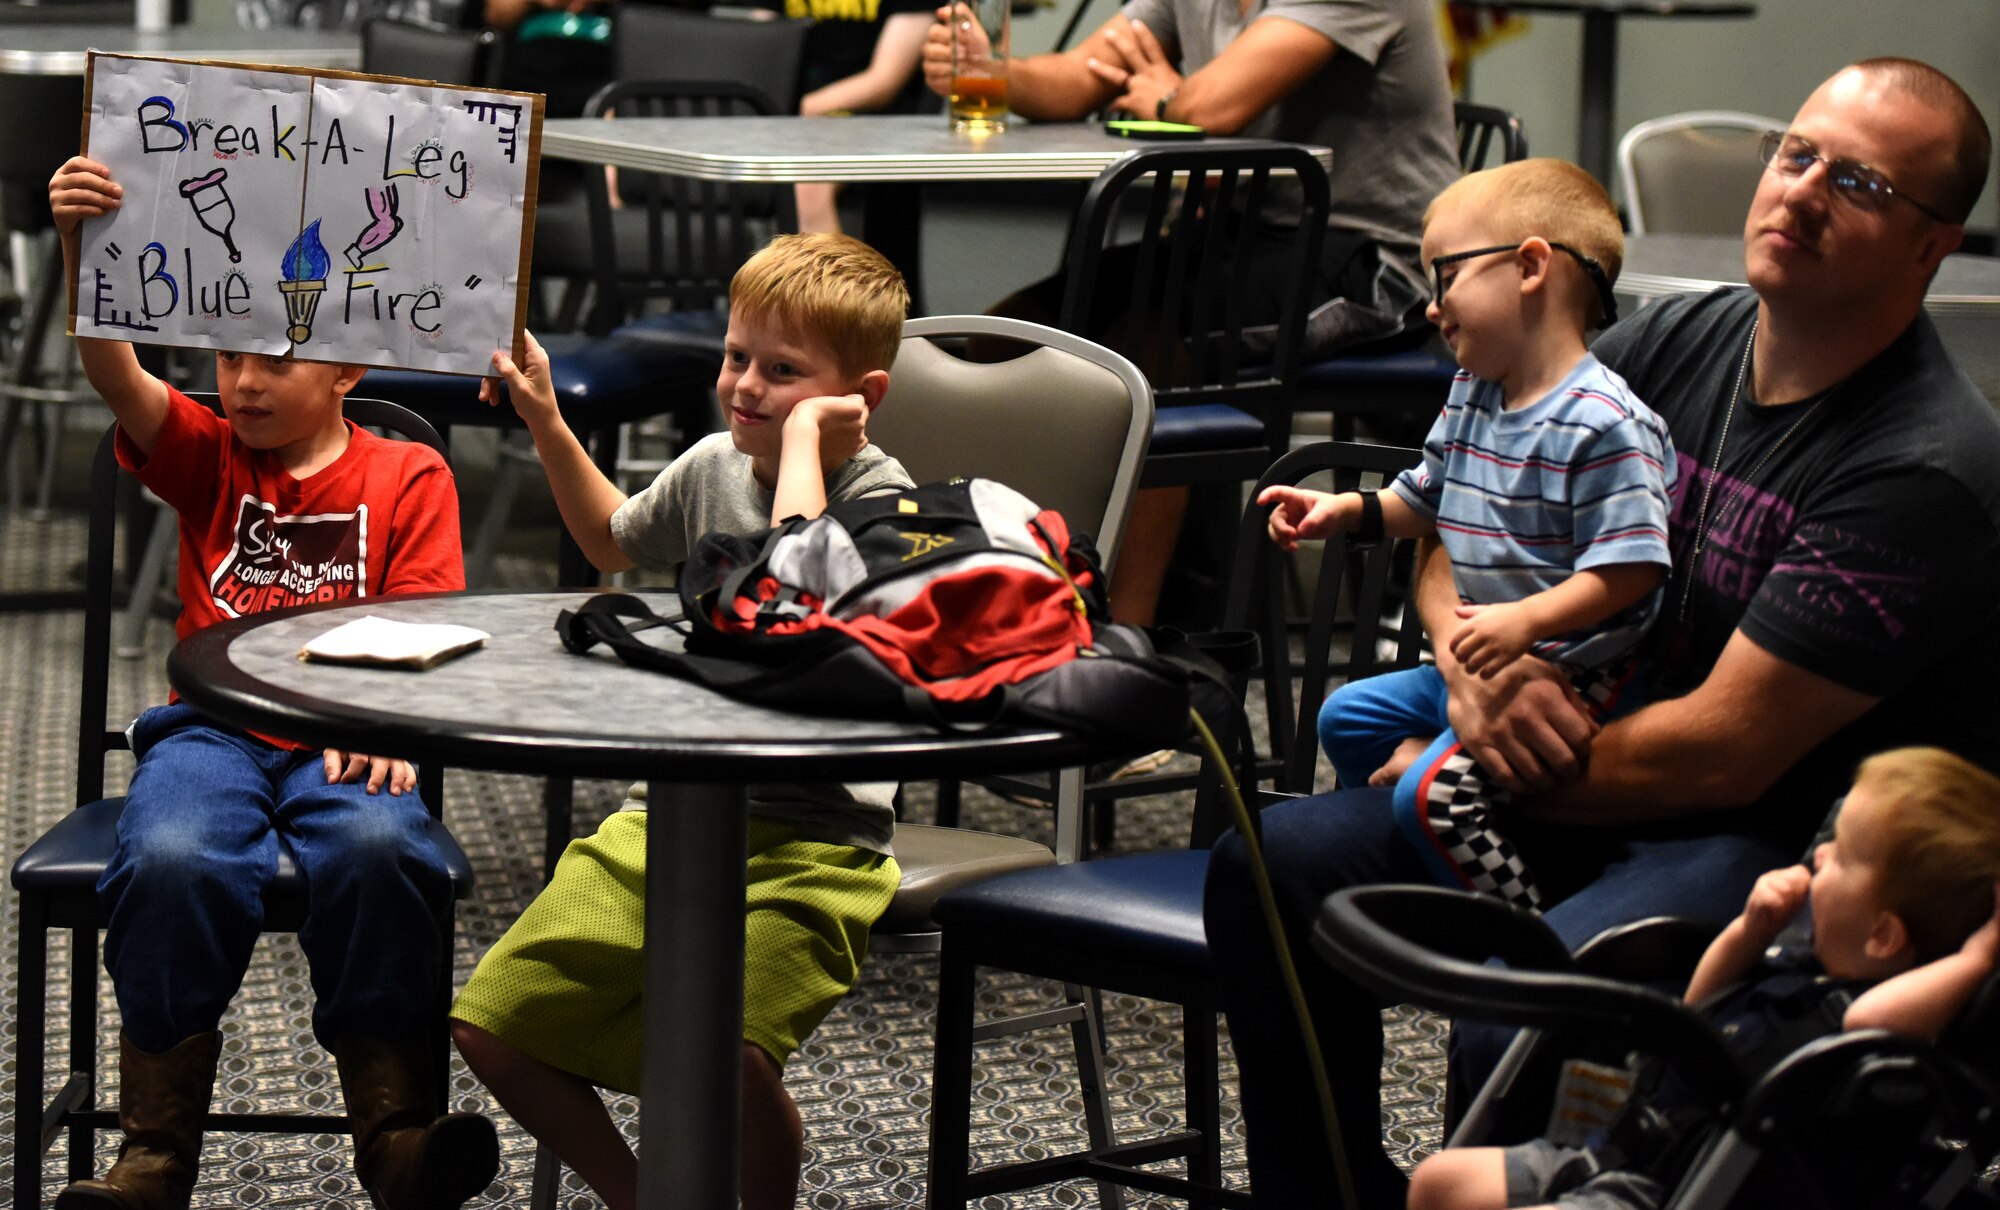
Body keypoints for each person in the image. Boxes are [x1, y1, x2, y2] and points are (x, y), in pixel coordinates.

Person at [1204, 56, 2000, 1210]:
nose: (1801, 193)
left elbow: (1721, 752)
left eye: (1861, 185)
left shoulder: (1925, 465)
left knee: (1519, 1017)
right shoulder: (1673, 345)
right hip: (1574, 760)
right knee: (1268, 868)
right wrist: (1468, 679)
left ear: (1934, 244)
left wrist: (1465, 765)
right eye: (1794, 154)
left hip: (1773, 848)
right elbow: (1457, 518)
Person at [45, 158, 493, 1210]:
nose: (242, 382)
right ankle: (154, 1154)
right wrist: (84, 252)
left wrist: (395, 720)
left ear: (344, 371)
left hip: (351, 725)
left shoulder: (406, 473)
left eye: (276, 361)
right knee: (168, 854)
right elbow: (116, 374)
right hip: (215, 726)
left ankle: (394, 1135)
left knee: (386, 851)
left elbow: (429, 626)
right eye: (229, 355)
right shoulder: (205, 452)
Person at [449, 232, 914, 1210]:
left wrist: (800, 451)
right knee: (491, 1022)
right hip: (667, 820)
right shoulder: (712, 462)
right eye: (737, 356)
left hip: (816, 842)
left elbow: (794, 600)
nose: (743, 386)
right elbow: (607, 541)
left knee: (731, 1059)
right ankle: (646, 1197)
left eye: (781, 372)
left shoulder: (883, 500)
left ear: (858, 397)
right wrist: (542, 417)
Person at [924, 0, 1460, 625]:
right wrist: (993, 71)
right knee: (1017, 331)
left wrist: (1164, 98)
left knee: (1142, 349)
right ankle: (1014, 581)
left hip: (1372, 256)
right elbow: (1081, 75)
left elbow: (1211, 108)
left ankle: (1124, 633)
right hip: (1239, 235)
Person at [1268, 158, 1672, 911]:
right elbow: (1425, 500)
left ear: (1528, 267)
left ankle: (1523, 928)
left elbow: (1635, 568)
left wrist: (1530, 619)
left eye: (1445, 276)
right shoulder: (1476, 390)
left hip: (1581, 674)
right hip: (1498, 654)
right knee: (1346, 719)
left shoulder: (1603, 420)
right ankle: (1429, 821)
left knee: (1434, 799)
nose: (1431, 307)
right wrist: (1345, 513)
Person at [1407, 746, 2000, 1210]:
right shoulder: (1798, 969)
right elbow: (1697, 1005)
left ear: (1883, 936)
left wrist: (1979, 955)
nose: (1817, 855)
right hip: (1615, 1154)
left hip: (1676, 1193)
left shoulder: (1868, 1043)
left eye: (1840, 856)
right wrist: (1750, 930)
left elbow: (1872, 1021)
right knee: (1439, 1182)